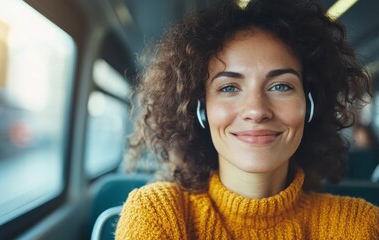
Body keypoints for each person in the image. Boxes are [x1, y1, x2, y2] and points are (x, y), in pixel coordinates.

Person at [115, 0, 379, 239]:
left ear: (310, 104)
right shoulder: (158, 214)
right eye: (229, 88)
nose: (256, 110)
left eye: (280, 86)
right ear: (200, 108)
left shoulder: (360, 226)